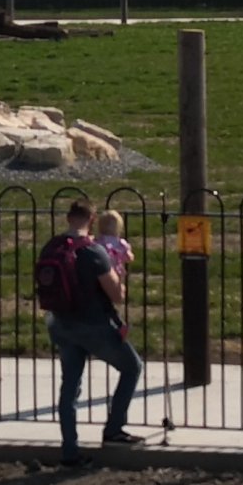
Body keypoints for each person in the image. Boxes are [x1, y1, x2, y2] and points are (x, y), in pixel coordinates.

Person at [41, 200, 144, 466]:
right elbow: (117, 295)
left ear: (68, 218)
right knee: (132, 367)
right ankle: (113, 430)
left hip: (60, 324)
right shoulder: (94, 252)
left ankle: (70, 450)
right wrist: (120, 271)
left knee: (70, 387)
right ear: (92, 218)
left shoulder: (51, 247)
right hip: (93, 325)